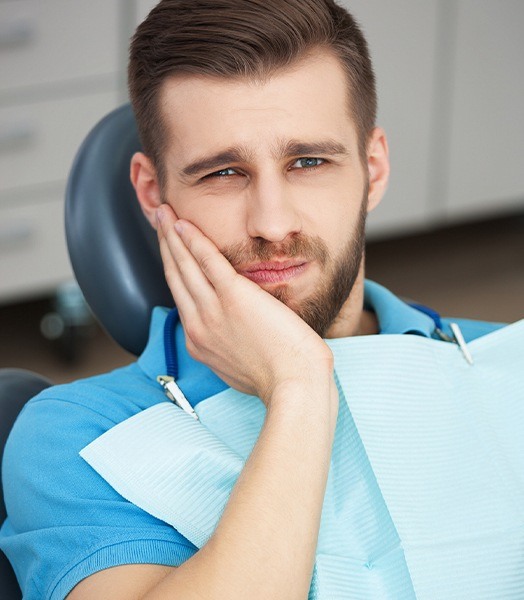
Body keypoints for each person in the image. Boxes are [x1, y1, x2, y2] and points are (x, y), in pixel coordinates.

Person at [1, 1, 522, 599]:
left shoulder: (505, 367)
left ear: (373, 170)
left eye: (309, 161)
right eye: (223, 173)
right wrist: (298, 388)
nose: (272, 224)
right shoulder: (76, 436)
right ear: (152, 192)